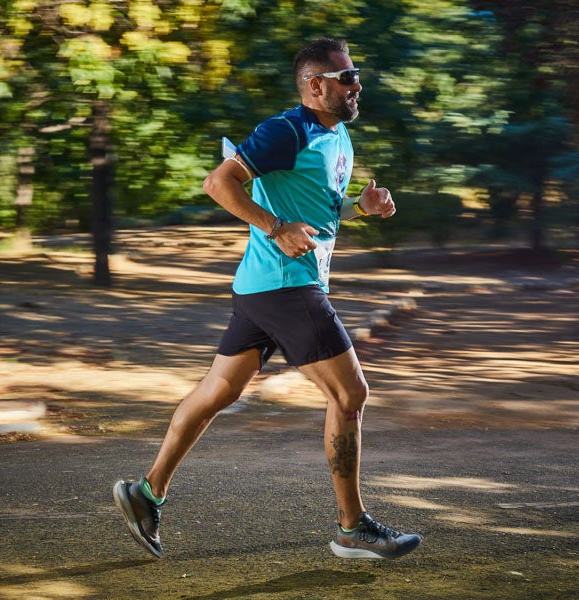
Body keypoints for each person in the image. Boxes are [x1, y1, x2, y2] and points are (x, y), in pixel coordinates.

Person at [113, 37, 421, 560]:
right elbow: (219, 183)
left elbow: (317, 208)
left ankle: (146, 492)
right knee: (350, 395)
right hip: (286, 284)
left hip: (263, 287)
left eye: (357, 75)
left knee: (218, 391)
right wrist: (276, 228)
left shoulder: (338, 134)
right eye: (347, 77)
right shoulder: (286, 130)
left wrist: (359, 208)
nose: (357, 85)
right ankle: (352, 528)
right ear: (316, 85)